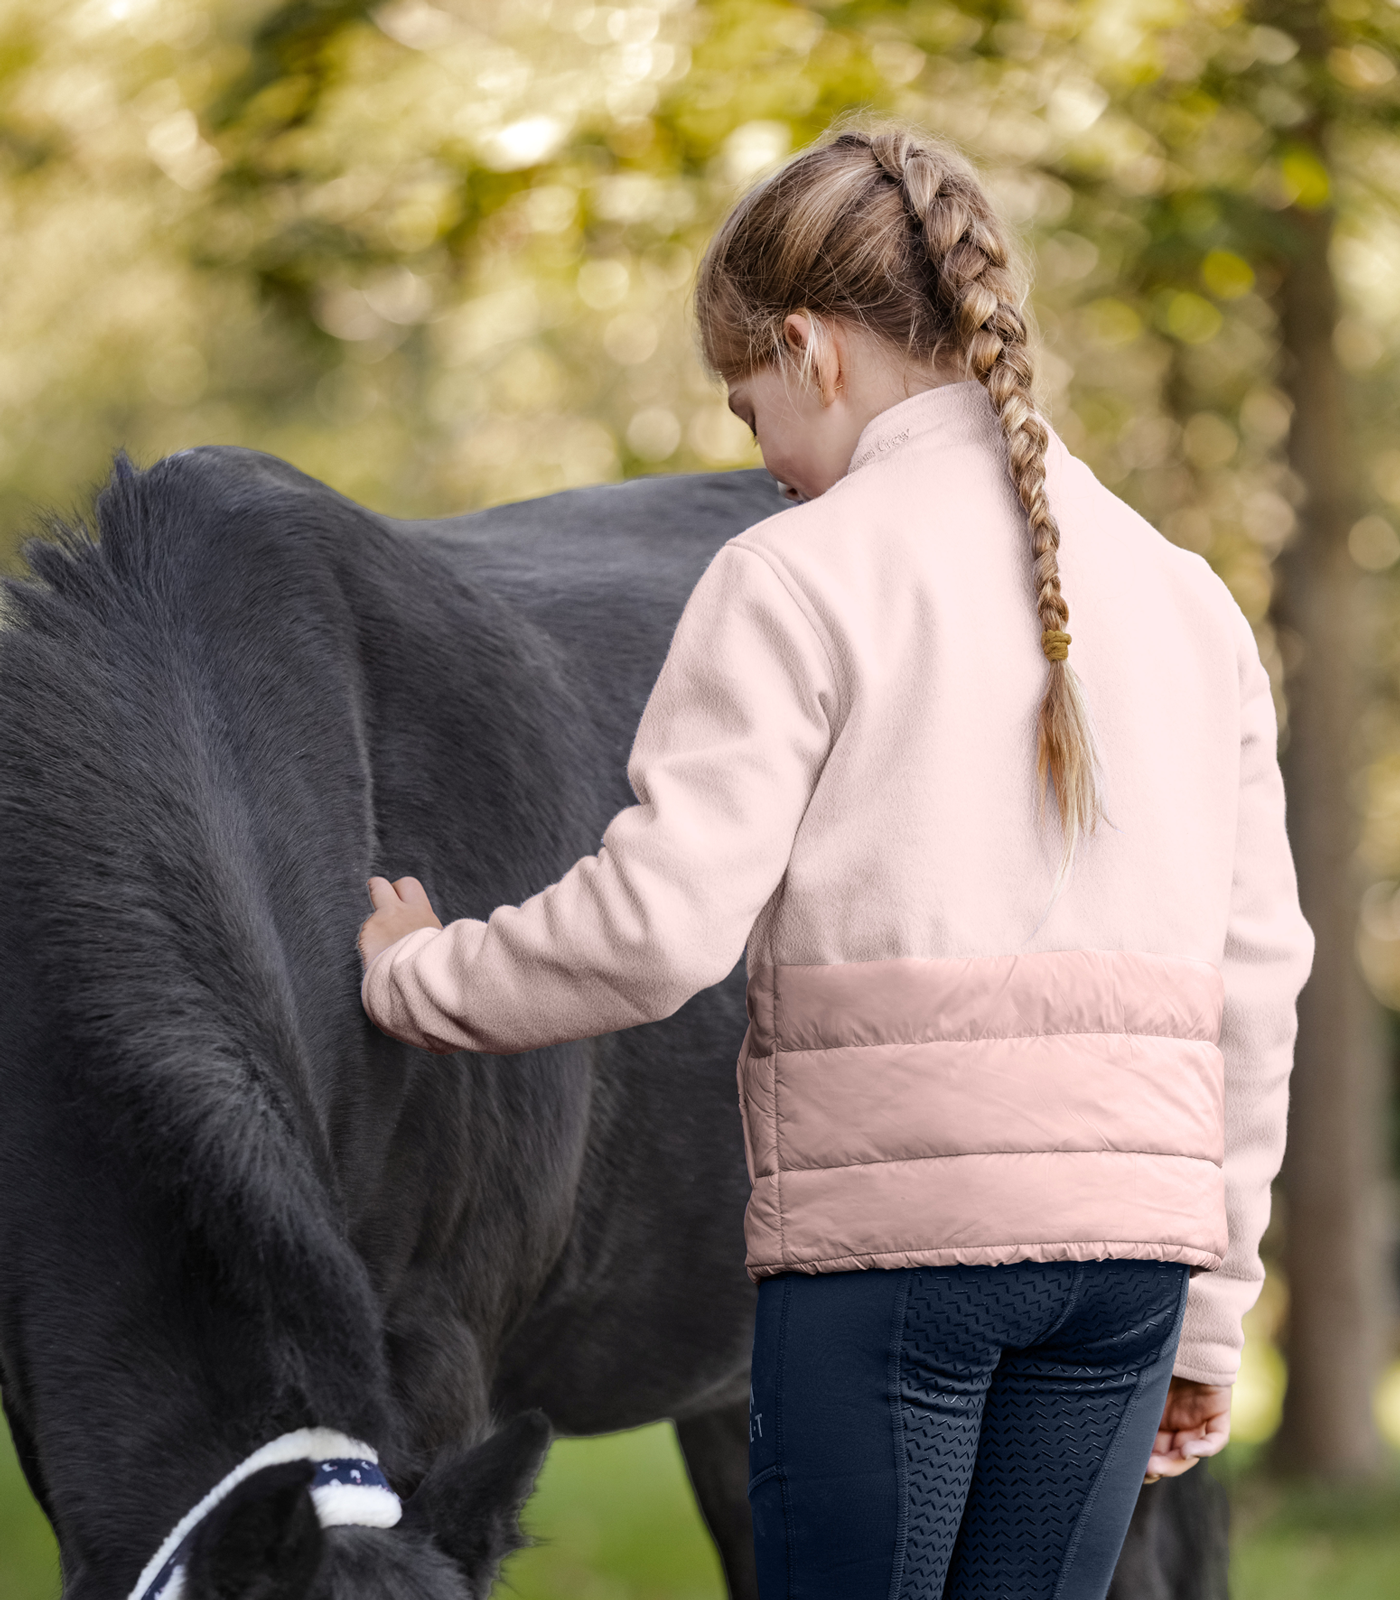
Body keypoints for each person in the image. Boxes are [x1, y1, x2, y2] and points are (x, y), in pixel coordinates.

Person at [358, 123, 1313, 1600]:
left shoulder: (789, 576)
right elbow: (1255, 987)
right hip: (1125, 1276)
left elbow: (657, 930)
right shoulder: (1187, 600)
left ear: (807, 347)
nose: (764, 465)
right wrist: (1213, 1313)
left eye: (750, 413)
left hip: (894, 1268)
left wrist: (424, 974)